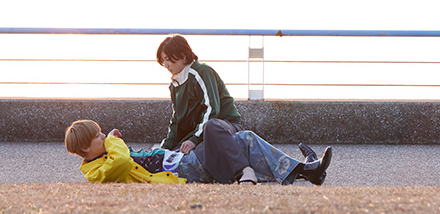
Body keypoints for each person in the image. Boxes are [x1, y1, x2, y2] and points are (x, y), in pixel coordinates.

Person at [64, 119, 332, 185]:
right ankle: (245, 172)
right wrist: (112, 141)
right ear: (87, 147)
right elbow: (122, 161)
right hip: (184, 170)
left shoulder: (107, 157)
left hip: (185, 160)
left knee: (243, 138)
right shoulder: (99, 170)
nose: (104, 136)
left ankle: (306, 171)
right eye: (98, 136)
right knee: (215, 126)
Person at [156, 34, 248, 183]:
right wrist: (163, 149)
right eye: (163, 61)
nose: (166, 65)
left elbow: (212, 110)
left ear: (183, 57)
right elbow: (176, 121)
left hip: (222, 127)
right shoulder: (175, 84)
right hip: (201, 133)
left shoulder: (201, 72)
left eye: (168, 60)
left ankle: (237, 174)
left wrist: (194, 139)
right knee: (174, 156)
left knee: (202, 146)